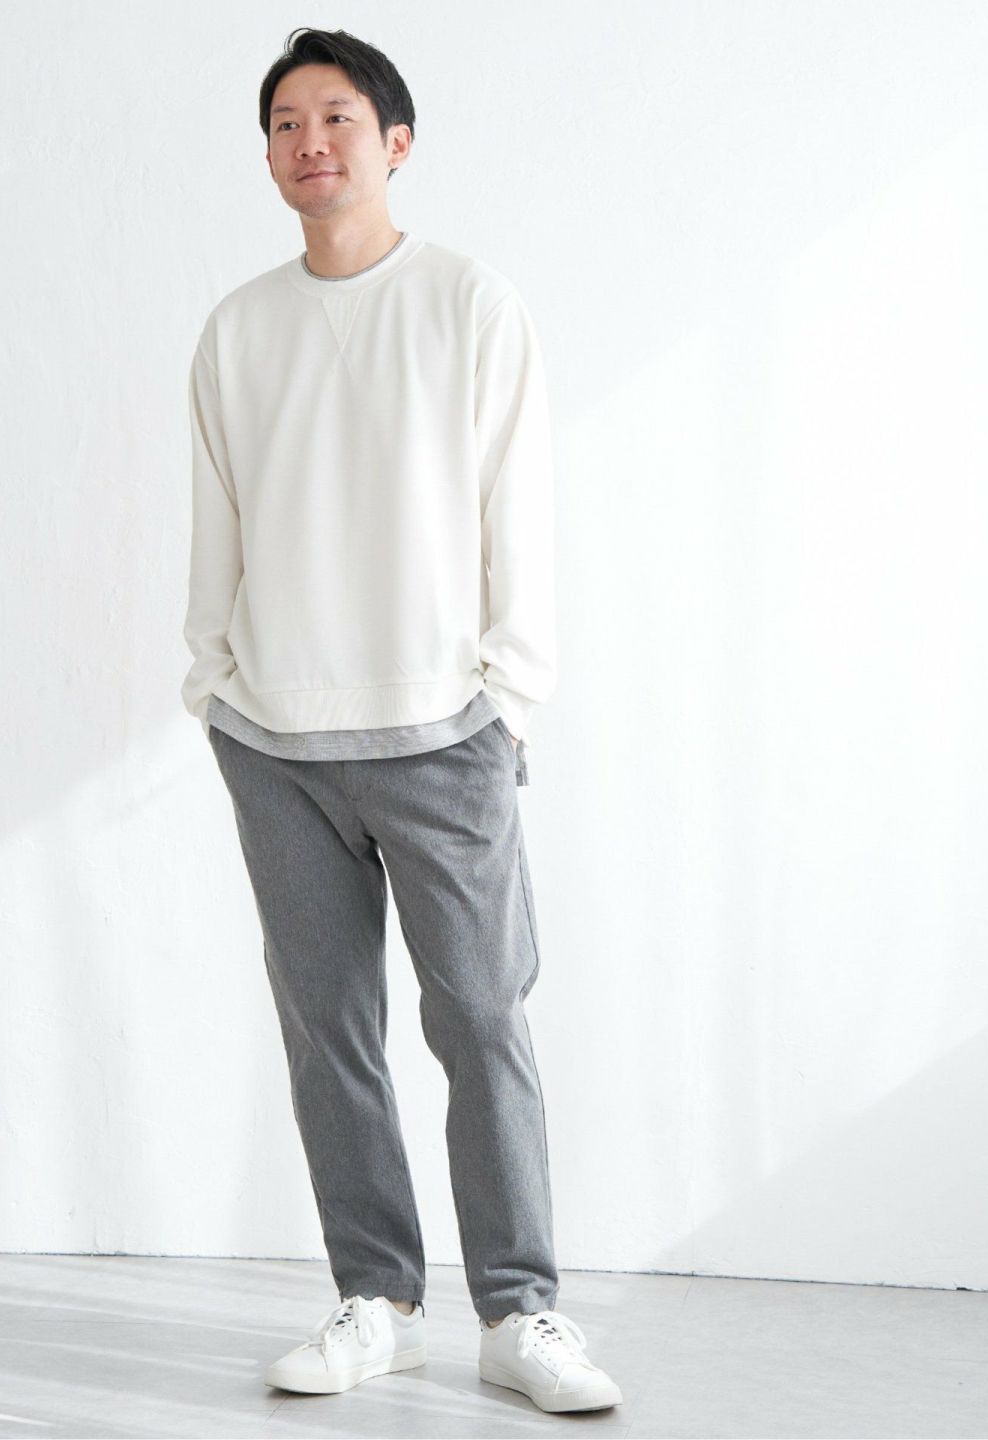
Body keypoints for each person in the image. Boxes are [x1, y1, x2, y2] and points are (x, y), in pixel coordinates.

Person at [180, 25, 622, 1415]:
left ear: (396, 142)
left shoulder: (469, 303)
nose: (309, 142)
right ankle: (376, 1299)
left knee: (482, 1020)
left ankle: (520, 1310)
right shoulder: (239, 328)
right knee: (330, 1034)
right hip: (277, 742)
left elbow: (517, 507)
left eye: (338, 118)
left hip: (444, 731)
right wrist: (213, 683)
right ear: (268, 153)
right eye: (285, 123)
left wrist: (506, 697)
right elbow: (218, 517)